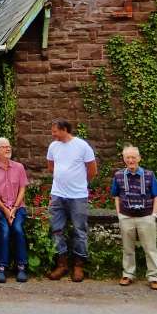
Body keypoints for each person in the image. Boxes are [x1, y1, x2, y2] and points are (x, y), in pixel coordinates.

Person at [46, 118, 97, 282]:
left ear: (64, 130)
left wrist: (81, 183)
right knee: (56, 229)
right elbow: (50, 166)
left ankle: (78, 265)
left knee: (79, 230)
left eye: (55, 131)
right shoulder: (53, 146)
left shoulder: (82, 146)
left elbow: (92, 170)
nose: (52, 134)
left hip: (78, 196)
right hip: (57, 194)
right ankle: (61, 264)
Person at [111, 145, 157, 290]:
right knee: (128, 249)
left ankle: (154, 277)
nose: (131, 160)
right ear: (124, 159)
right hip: (126, 217)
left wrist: (153, 215)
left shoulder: (149, 175)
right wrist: (119, 215)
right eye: (127, 157)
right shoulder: (118, 175)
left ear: (139, 158)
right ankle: (128, 274)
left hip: (146, 217)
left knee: (150, 248)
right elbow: (115, 196)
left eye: (133, 157)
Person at [0, 137, 29, 283]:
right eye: (4, 147)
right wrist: (6, 211)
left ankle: (21, 267)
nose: (8, 149)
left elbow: (22, 189)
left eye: (9, 146)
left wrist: (14, 209)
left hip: (18, 207)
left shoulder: (19, 167)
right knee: (4, 230)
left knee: (17, 228)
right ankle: (1, 268)